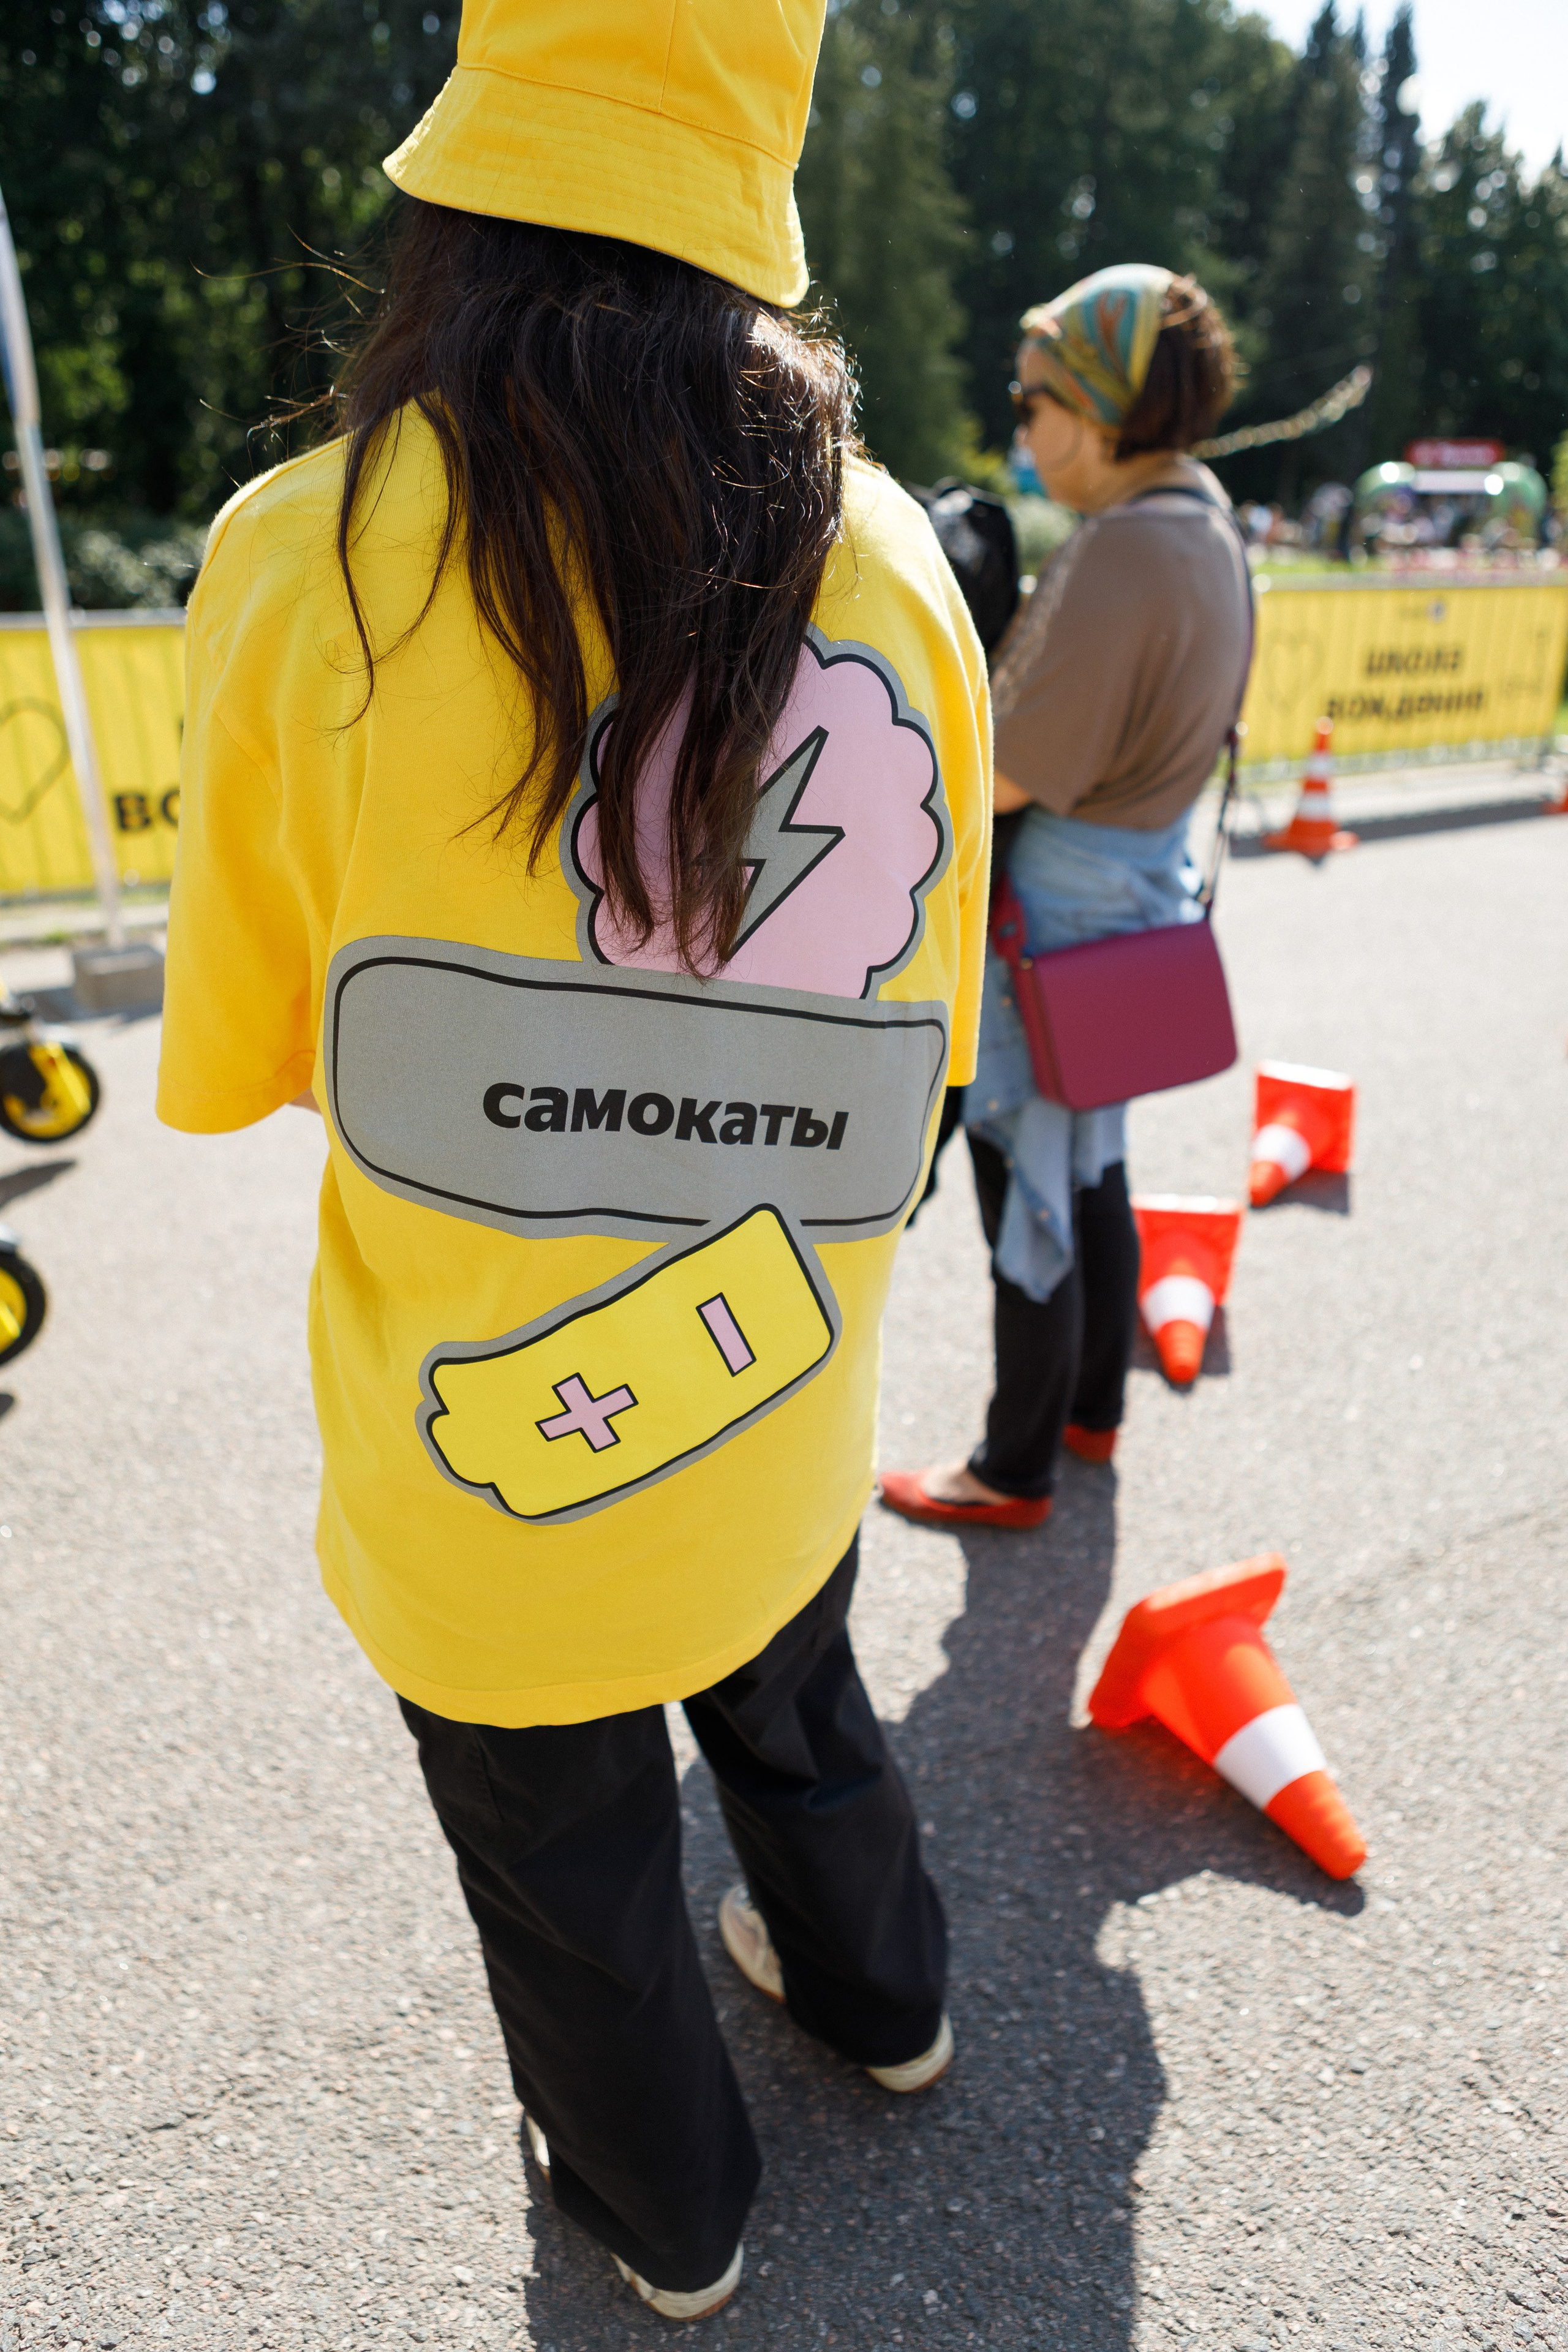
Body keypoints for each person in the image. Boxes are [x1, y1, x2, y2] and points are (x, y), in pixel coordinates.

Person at [155, 0, 992, 2321]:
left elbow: (257, 1042)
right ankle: (891, 2006)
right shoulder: (899, 561)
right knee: (797, 1705)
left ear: (465, 181)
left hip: (483, 1439)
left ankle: (669, 2208)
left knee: (568, 1857)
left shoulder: (304, 557)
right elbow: (922, 1042)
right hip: (775, 1377)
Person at [879, 264, 1251, 1534]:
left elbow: (1008, 775)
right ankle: (1092, 1412)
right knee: (1094, 1165)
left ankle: (1014, 1465)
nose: (1022, 426)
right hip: (1134, 900)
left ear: (1096, 409)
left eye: (1030, 401)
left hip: (1052, 923)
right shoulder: (1203, 521)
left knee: (1026, 1182)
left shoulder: (1123, 550)